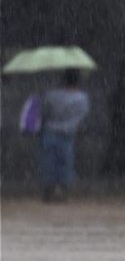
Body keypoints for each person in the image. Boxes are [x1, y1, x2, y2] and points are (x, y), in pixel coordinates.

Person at [39, 68, 90, 202]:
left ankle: (48, 192)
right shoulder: (82, 98)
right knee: (65, 165)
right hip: (67, 135)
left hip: (50, 132)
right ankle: (63, 193)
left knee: (49, 163)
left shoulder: (51, 95)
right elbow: (82, 117)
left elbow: (44, 112)